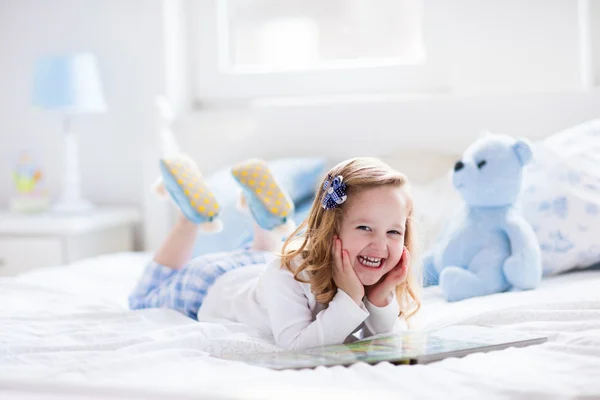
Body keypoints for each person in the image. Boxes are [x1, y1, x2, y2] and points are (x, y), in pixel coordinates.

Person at [129, 156, 421, 350]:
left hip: (258, 270)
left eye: (393, 232)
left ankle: (264, 219)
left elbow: (380, 339)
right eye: (365, 228)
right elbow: (296, 345)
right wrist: (352, 297)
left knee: (270, 259)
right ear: (331, 229)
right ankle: (191, 218)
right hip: (209, 285)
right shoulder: (288, 275)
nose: (381, 245)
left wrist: (379, 295)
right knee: (142, 300)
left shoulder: (363, 267)